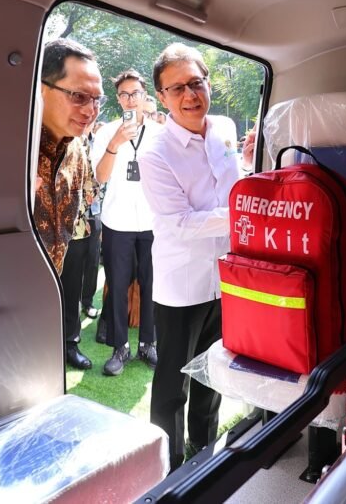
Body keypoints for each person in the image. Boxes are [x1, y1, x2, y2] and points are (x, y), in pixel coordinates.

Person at [139, 43, 255, 470]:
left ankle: (204, 454)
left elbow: (231, 184)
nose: (190, 95)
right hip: (182, 285)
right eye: (177, 88)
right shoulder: (155, 153)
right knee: (173, 385)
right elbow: (180, 223)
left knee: (214, 374)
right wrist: (242, 214)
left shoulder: (223, 131)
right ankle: (167, 469)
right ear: (162, 97)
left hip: (225, 278)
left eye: (196, 83)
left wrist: (248, 166)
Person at [33, 38, 104, 369]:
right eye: (78, 96)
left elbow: (90, 189)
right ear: (41, 89)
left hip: (50, 295)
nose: (90, 110)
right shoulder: (7, 144)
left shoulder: (77, 149)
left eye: (96, 99)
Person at [90, 69, 163, 376]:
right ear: (118, 99)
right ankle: (120, 346)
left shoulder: (160, 134)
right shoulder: (107, 132)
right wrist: (116, 143)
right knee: (118, 284)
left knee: (152, 283)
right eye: (124, 94)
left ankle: (148, 342)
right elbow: (100, 176)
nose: (130, 99)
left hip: (153, 220)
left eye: (135, 93)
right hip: (117, 220)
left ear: (145, 96)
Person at [59, 121, 102, 370]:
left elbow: (90, 182)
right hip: (37, 229)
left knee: (72, 289)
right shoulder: (37, 135)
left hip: (75, 229)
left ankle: (70, 344)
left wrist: (87, 196)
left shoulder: (81, 140)